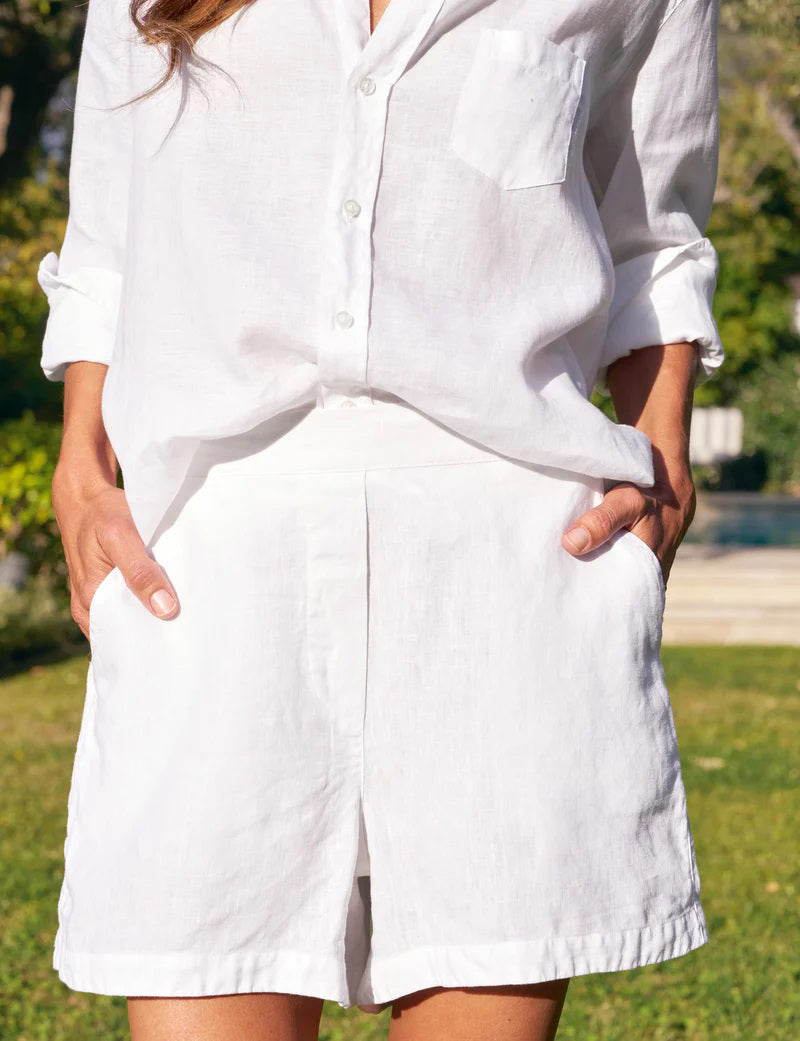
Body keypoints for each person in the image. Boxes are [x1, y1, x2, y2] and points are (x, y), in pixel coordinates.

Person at [37, 0, 723, 1038]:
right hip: (215, 568)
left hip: (507, 567)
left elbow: (651, 240)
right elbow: (105, 246)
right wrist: (83, 470)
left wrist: (662, 448)